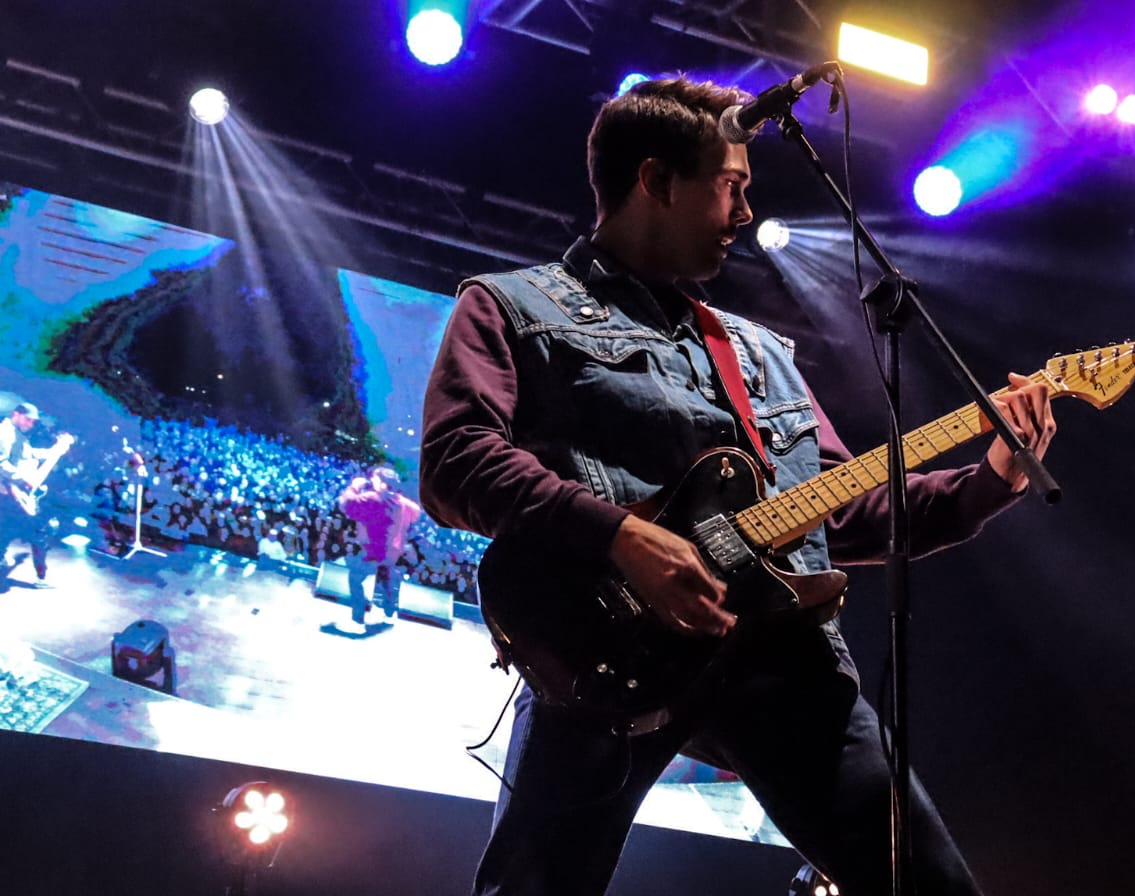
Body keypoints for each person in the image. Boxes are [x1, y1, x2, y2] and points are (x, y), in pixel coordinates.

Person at [419, 77, 1057, 896]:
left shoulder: (759, 351)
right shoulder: (512, 305)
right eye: (731, 186)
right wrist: (618, 535)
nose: (746, 213)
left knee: (926, 885)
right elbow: (455, 458)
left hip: (779, 655)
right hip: (604, 648)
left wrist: (991, 478)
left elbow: (843, 514)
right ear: (655, 181)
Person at [337, 465, 422, 628]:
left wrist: (355, 485)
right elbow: (416, 512)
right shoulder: (404, 503)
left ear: (383, 483)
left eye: (375, 480)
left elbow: (346, 504)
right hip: (392, 552)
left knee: (355, 578)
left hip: (373, 550)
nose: (372, 482)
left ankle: (357, 619)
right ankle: (390, 613)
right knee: (386, 576)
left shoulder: (374, 498)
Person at [0, 402, 68, 587]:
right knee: (41, 531)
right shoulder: (4, 432)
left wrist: (54, 451)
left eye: (33, 421)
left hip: (13, 495)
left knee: (6, 530)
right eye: (28, 419)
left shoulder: (17, 435)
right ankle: (40, 577)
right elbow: (1, 462)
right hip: (11, 493)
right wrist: (23, 480)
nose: (31, 424)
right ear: (16, 414)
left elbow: (29, 454)